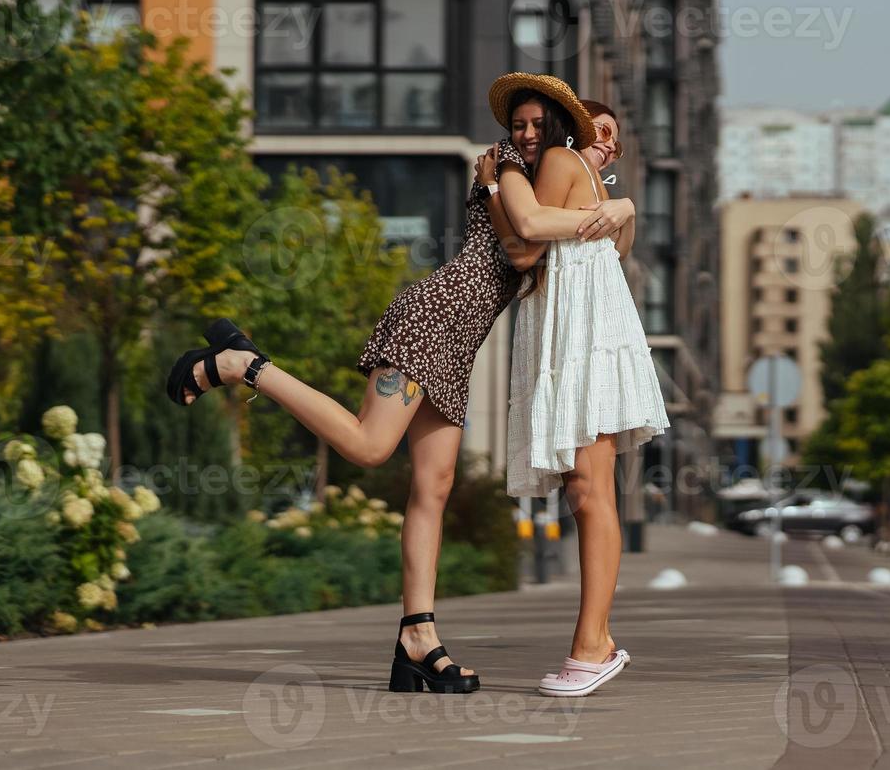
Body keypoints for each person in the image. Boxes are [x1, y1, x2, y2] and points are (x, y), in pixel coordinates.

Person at [164, 73, 635, 694]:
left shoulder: (545, 175)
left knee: (432, 489)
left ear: (557, 126)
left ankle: (418, 639)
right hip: (434, 319)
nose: (524, 132)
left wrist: (617, 206)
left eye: (535, 124)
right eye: (518, 123)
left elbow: (605, 248)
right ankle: (242, 364)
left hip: (459, 342)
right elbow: (522, 251)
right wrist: (557, 197)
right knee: (366, 446)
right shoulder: (511, 173)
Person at [477, 85, 668, 697]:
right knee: (589, 493)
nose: (528, 133)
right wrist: (618, 209)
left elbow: (526, 242)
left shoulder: (560, 166)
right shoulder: (565, 169)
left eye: (615, 134)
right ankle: (597, 642)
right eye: (519, 125)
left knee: (590, 495)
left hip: (587, 338)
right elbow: (534, 242)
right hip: (575, 334)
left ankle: (592, 647)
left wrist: (496, 185)